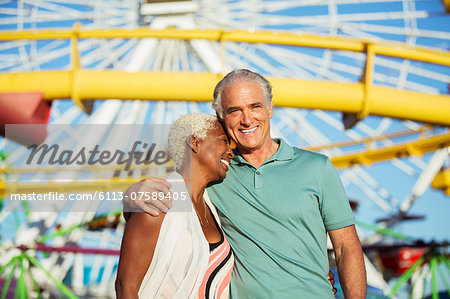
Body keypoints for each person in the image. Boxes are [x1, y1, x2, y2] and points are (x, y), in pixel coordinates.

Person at [123, 69, 367, 298]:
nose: (247, 119)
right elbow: (166, 210)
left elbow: (346, 246)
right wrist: (130, 196)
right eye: (234, 110)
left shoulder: (317, 168)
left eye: (255, 106)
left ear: (270, 109)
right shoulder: (217, 177)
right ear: (221, 116)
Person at [115, 113, 235, 298]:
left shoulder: (211, 208)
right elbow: (126, 286)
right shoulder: (157, 202)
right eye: (223, 141)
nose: (231, 152)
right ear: (194, 142)